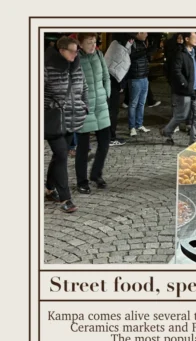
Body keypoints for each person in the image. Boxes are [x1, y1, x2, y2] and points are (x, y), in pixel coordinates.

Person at [44, 36, 88, 213]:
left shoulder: (77, 64)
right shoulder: (46, 66)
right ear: (61, 50)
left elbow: (84, 87)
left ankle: (49, 188)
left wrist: (85, 106)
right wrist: (52, 106)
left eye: (77, 51)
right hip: (53, 118)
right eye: (72, 51)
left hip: (73, 117)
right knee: (62, 154)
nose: (76, 54)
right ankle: (65, 198)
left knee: (58, 156)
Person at [75, 33, 111, 194]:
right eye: (89, 42)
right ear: (80, 44)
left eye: (94, 42)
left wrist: (106, 93)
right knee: (83, 148)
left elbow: (106, 76)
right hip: (85, 108)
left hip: (101, 106)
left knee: (104, 143)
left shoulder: (99, 54)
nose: (92, 45)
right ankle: (82, 181)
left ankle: (96, 174)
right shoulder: (75, 58)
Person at [160, 32, 196, 146]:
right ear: (187, 39)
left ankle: (194, 140)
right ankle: (166, 131)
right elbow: (176, 71)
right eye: (194, 37)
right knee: (182, 115)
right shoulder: (180, 53)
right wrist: (185, 84)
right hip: (184, 91)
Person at [104, 33, 136, 147]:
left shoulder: (115, 44)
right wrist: (120, 83)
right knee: (112, 110)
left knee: (111, 110)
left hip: (111, 82)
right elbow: (120, 64)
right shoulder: (117, 47)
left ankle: (108, 135)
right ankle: (110, 137)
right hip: (112, 82)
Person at [126, 32, 155, 137]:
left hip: (144, 76)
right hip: (135, 77)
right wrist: (146, 51)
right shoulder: (131, 42)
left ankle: (139, 124)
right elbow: (129, 56)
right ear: (138, 33)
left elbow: (145, 58)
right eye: (144, 32)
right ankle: (132, 127)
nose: (146, 34)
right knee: (133, 103)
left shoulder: (143, 43)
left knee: (142, 103)